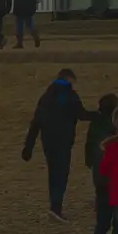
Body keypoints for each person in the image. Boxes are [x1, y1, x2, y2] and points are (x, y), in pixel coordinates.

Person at [21, 67, 96, 221]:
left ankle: (54, 205)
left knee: (53, 171)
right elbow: (82, 115)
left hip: (48, 140)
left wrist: (28, 146)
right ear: (69, 79)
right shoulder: (70, 95)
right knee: (61, 173)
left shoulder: (46, 96)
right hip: (63, 140)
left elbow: (36, 122)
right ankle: (56, 207)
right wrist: (101, 114)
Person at [85, 93, 118, 234]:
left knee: (103, 218)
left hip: (98, 175)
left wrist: (89, 162)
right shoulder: (113, 129)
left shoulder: (95, 124)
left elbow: (88, 145)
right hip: (113, 181)